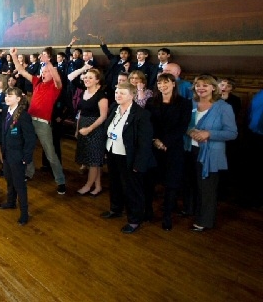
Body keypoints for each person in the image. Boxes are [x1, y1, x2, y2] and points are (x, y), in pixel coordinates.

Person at [183, 75, 238, 232]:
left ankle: (204, 220)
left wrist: (209, 134)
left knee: (206, 188)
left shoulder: (223, 107)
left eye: (205, 85)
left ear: (213, 88)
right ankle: (192, 211)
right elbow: (185, 124)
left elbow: (232, 133)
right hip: (190, 149)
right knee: (192, 184)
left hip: (210, 153)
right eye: (198, 85)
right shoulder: (192, 103)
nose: (201, 88)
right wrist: (190, 130)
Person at [100, 82, 155, 234]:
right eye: (117, 92)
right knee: (115, 183)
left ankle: (134, 220)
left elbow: (144, 143)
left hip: (130, 157)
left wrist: (139, 163)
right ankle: (116, 209)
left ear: (132, 95)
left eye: (122, 93)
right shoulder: (114, 108)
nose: (118, 95)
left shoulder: (141, 114)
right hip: (113, 152)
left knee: (132, 189)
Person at [9, 47, 65, 193]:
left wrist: (48, 63)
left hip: (42, 123)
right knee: (27, 148)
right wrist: (14, 56)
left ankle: (60, 181)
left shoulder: (55, 86)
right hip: (28, 120)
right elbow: (21, 71)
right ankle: (29, 172)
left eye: (46, 71)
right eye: (43, 71)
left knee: (50, 153)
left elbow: (57, 78)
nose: (44, 73)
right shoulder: (37, 82)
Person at [145, 73, 193, 231]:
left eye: (166, 83)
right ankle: (148, 211)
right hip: (154, 146)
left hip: (173, 148)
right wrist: (155, 140)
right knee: (150, 181)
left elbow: (182, 126)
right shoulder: (151, 102)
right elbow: (148, 124)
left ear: (173, 84)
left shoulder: (184, 103)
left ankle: (167, 216)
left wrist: (166, 142)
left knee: (171, 183)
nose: (162, 86)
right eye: (159, 83)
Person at [0, 87, 37, 225]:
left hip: (18, 156)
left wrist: (26, 157)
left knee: (20, 184)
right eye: (6, 95)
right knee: (9, 179)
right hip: (7, 154)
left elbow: (30, 139)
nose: (7, 98)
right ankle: (11, 201)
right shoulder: (5, 113)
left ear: (18, 99)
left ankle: (24, 213)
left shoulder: (23, 116)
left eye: (10, 96)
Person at [71, 68, 108, 196]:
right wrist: (77, 129)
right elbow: (81, 113)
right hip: (83, 125)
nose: (86, 79)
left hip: (96, 128)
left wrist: (89, 128)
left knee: (94, 160)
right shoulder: (83, 93)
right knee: (92, 159)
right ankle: (97, 186)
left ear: (98, 80)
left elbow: (103, 116)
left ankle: (88, 185)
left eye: (90, 77)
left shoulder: (101, 95)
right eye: (86, 77)